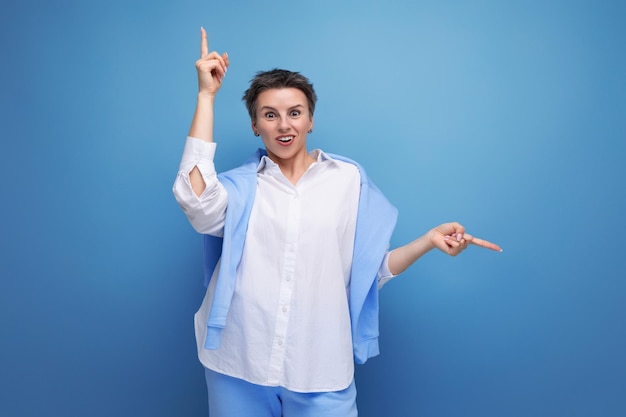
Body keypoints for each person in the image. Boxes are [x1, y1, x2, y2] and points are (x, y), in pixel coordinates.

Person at [172, 27, 502, 417]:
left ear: (311, 121)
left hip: (320, 370)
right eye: (270, 115)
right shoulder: (240, 187)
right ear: (255, 125)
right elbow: (198, 205)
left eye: (295, 113)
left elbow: (367, 271)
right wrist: (206, 97)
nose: (284, 125)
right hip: (238, 362)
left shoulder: (349, 181)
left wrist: (427, 241)